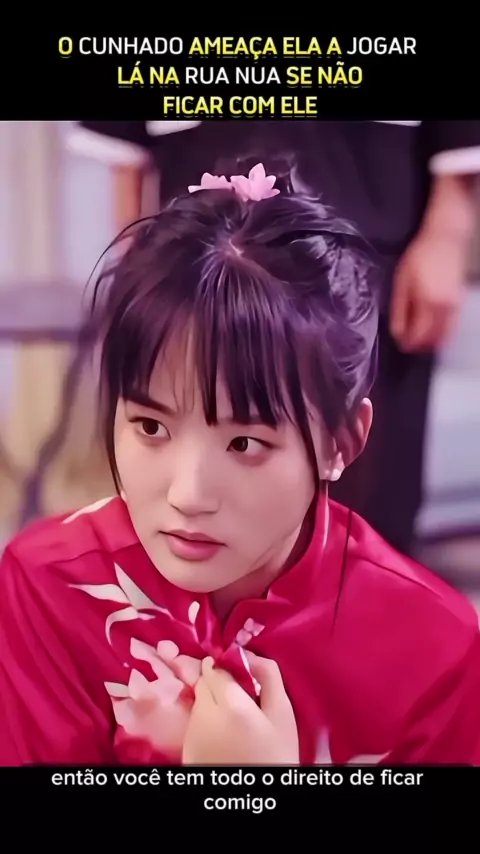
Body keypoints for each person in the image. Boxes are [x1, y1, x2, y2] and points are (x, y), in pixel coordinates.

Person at [1, 160, 480, 766]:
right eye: (150, 427)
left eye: (245, 444)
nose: (188, 494)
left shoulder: (434, 645)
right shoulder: (47, 585)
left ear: (341, 440)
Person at [67, 119, 480, 556]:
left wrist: (447, 235)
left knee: (370, 507)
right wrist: (137, 269)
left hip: (370, 259)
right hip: (198, 273)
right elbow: (125, 151)